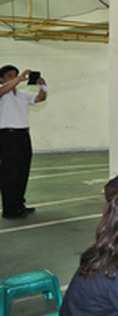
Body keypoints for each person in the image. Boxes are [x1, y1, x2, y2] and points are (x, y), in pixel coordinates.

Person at [0, 65, 47, 219]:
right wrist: (19, 79)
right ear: (1, 79)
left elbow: (40, 98)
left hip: (22, 135)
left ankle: (19, 203)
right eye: (10, 75)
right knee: (10, 173)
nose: (14, 77)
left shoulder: (22, 94)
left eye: (15, 75)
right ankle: (9, 208)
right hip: (8, 136)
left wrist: (43, 87)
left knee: (22, 171)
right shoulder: (3, 93)